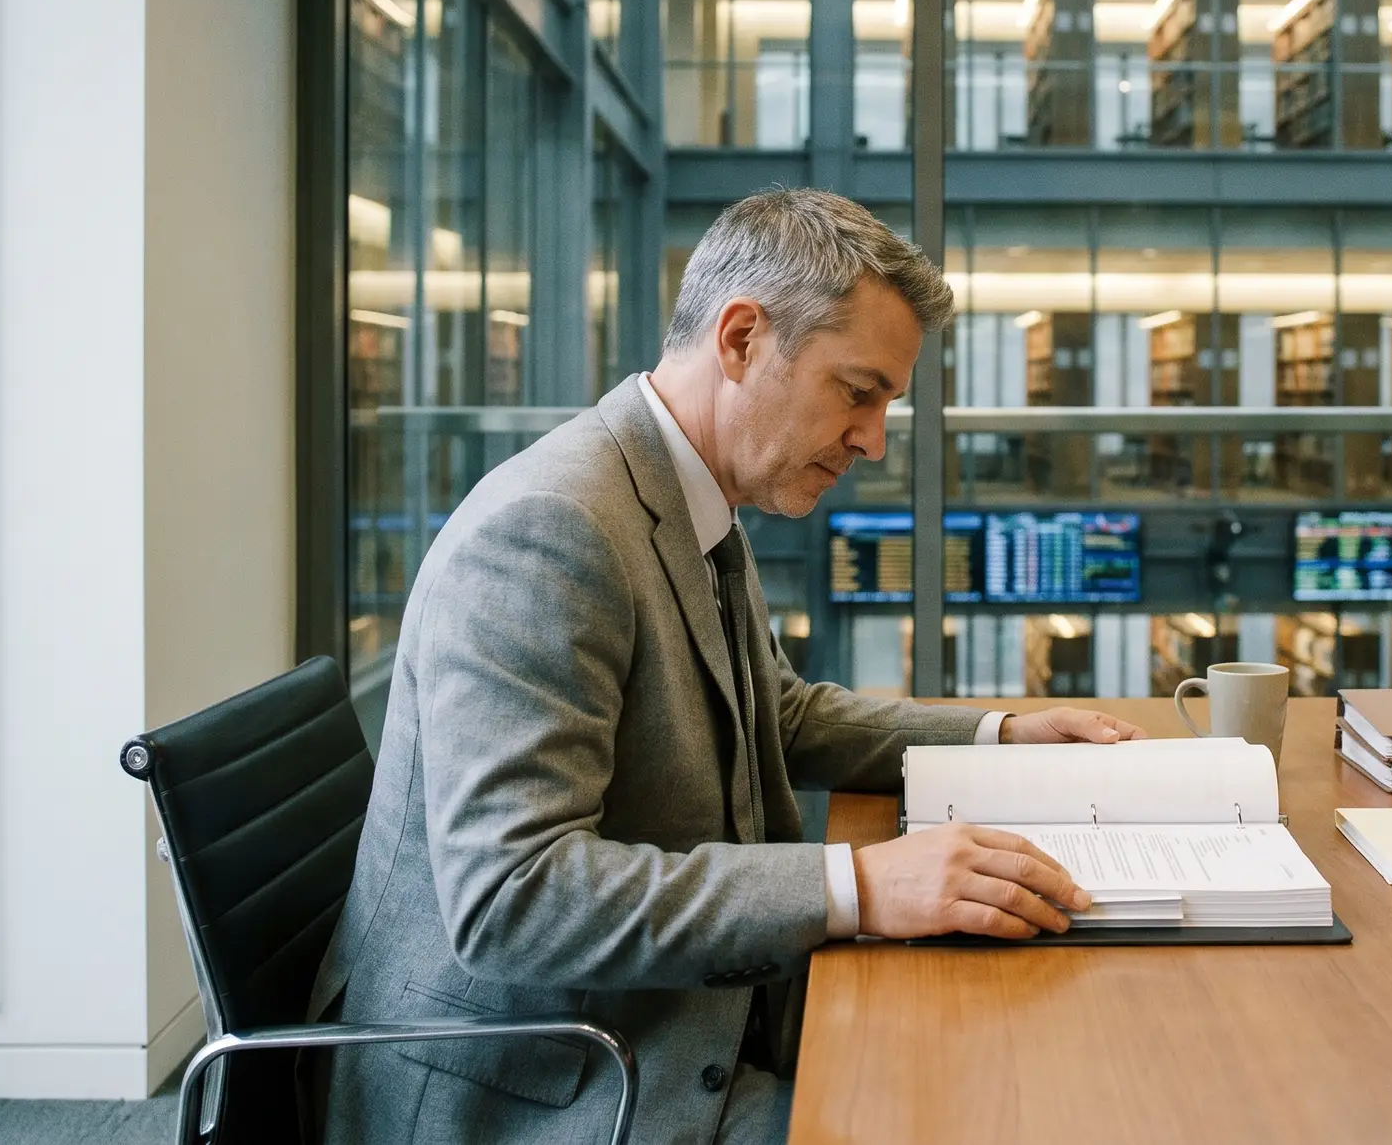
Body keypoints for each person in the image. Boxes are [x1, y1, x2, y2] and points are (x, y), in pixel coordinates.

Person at [310, 189, 1145, 1144]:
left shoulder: (685, 495)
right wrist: (859, 887)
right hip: (539, 1076)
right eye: (859, 391)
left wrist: (1002, 735)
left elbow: (777, 717)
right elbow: (513, 899)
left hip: (660, 1009)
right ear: (742, 339)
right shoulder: (552, 531)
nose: (874, 439)